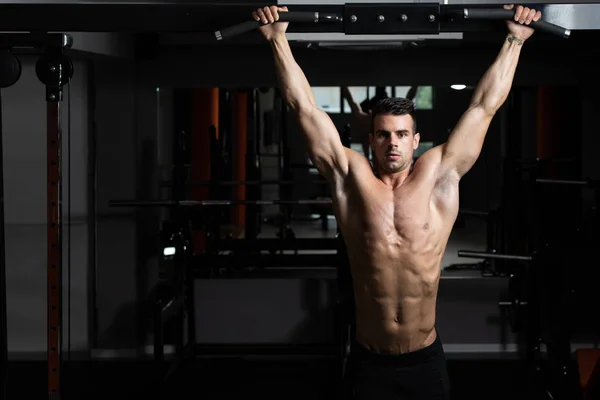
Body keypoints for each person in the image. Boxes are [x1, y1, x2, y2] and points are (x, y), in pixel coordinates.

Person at [253, 4, 540, 399]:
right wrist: (277, 40)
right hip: (368, 360)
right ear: (370, 140)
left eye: (402, 134)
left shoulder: (440, 174)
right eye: (384, 134)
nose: (393, 143)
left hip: (424, 360)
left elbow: (483, 108)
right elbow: (304, 108)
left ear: (416, 140)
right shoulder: (350, 176)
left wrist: (514, 41)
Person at [341, 86, 417, 160]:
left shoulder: (367, 119)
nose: (392, 142)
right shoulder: (367, 119)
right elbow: (353, 105)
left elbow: (353, 105)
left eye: (401, 135)